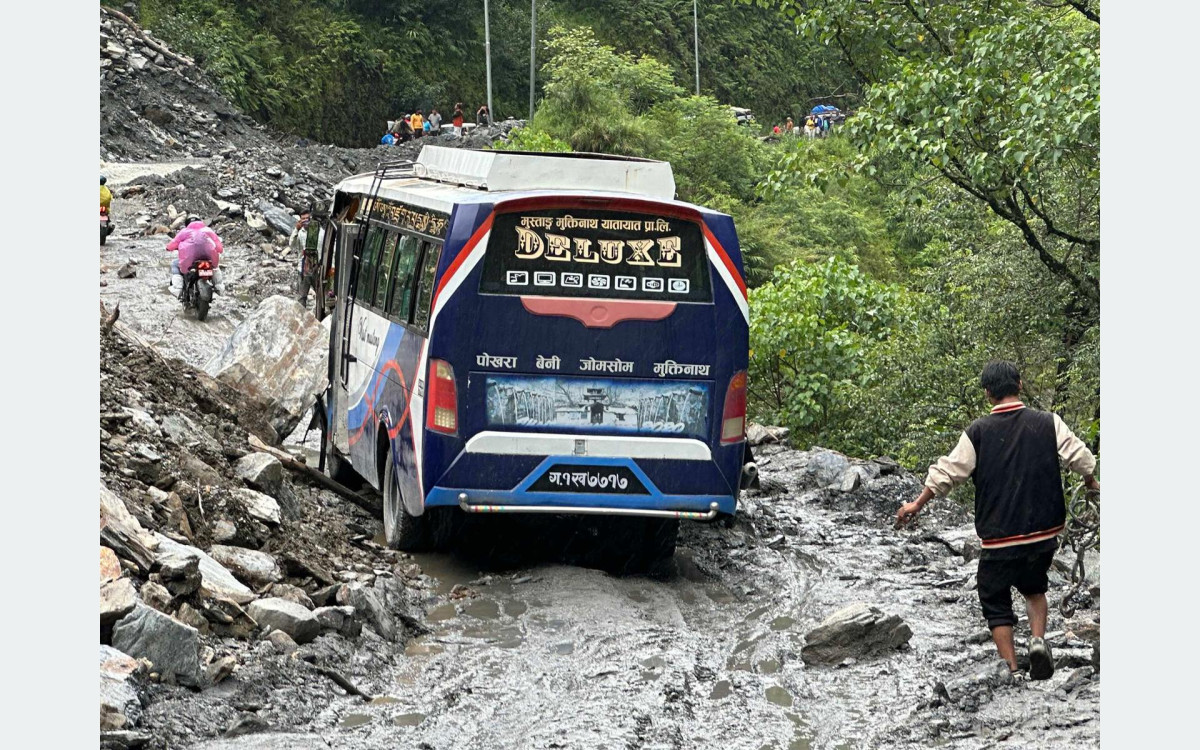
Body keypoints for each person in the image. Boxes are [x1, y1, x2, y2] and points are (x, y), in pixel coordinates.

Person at [896, 360, 1099, 680]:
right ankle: (1036, 641)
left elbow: (948, 473)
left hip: (999, 535)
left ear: (988, 394)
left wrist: (916, 505)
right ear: (1019, 385)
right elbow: (1081, 457)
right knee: (1034, 587)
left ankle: (1013, 669)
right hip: (1044, 531)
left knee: (994, 596)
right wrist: (1089, 483)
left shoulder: (977, 432)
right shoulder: (1048, 422)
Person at [166, 217, 225, 298]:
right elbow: (219, 246)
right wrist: (219, 250)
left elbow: (173, 243)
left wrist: (168, 248)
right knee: (215, 267)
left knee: (175, 264)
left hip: (189, 261)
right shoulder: (208, 230)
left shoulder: (184, 231)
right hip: (209, 258)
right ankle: (219, 287)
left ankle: (177, 289)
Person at [289, 208, 324, 313]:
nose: (305, 221)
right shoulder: (300, 232)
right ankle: (301, 317)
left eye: (307, 219)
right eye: (302, 219)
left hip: (317, 268)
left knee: (321, 295)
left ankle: (320, 316)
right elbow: (291, 245)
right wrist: (296, 230)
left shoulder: (320, 232)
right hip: (303, 268)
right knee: (301, 296)